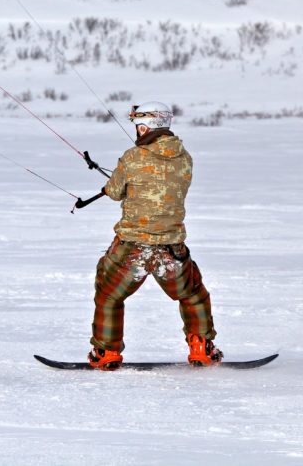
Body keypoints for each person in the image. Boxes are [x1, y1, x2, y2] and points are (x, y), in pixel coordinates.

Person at [88, 101, 223, 370]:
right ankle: (202, 348)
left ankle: (106, 353)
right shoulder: (185, 158)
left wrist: (116, 183)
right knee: (193, 294)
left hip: (132, 247)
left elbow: (115, 192)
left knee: (109, 294)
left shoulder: (132, 157)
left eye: (138, 125)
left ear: (144, 127)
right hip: (171, 246)